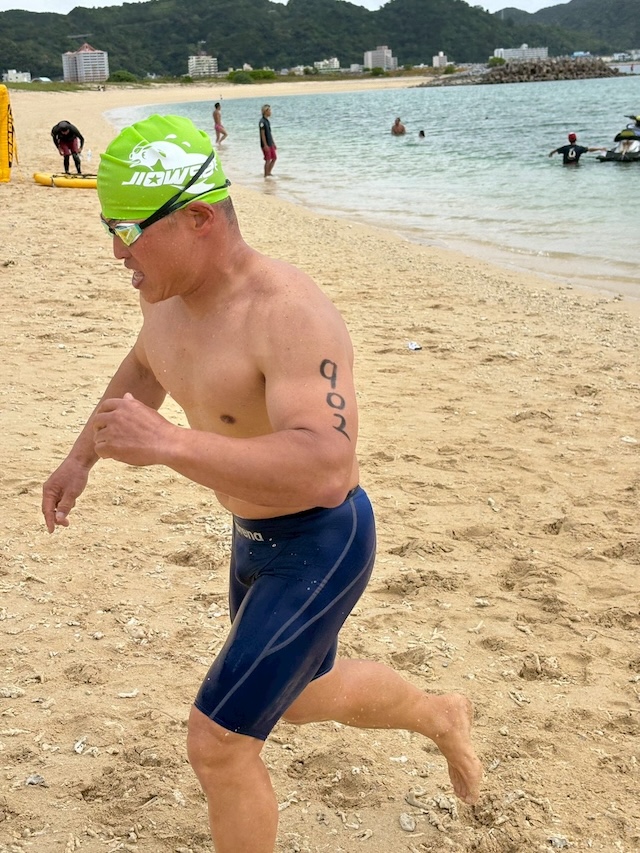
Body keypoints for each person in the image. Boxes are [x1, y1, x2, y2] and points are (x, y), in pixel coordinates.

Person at [41, 115, 482, 853]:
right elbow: (146, 364)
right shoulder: (164, 293)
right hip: (253, 534)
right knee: (302, 695)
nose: (117, 251)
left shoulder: (287, 313)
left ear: (199, 219)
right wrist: (80, 457)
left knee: (218, 743)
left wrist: (173, 444)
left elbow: (326, 465)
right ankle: (441, 714)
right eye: (108, 228)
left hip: (322, 540)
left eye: (128, 229)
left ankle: (439, 716)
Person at [259, 104, 276, 177]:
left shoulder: (267, 121)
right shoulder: (262, 122)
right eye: (269, 110)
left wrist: (273, 143)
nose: (270, 112)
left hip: (270, 143)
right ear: (265, 111)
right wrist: (265, 145)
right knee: (268, 160)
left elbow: (269, 133)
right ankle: (265, 175)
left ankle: (269, 172)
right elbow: (262, 134)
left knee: (274, 158)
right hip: (265, 144)